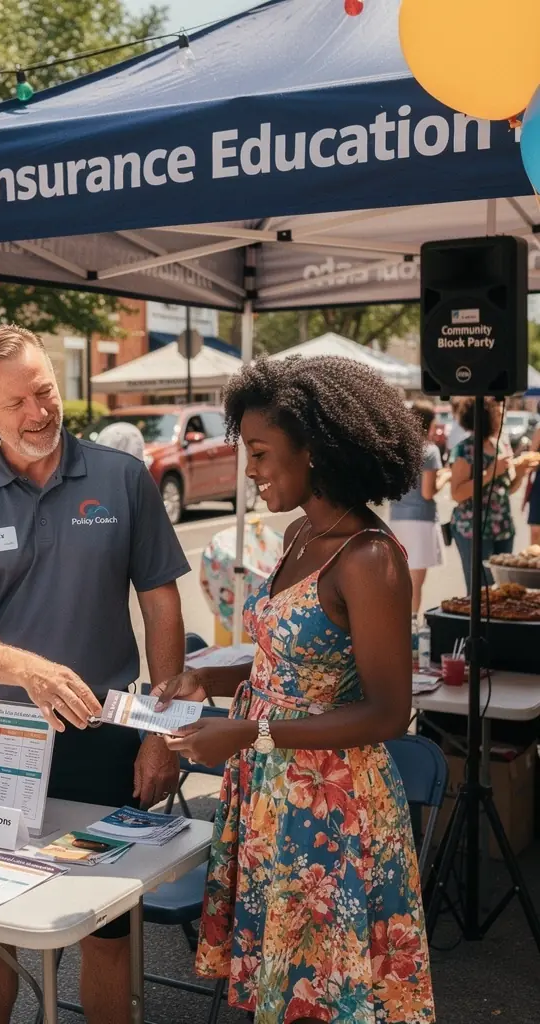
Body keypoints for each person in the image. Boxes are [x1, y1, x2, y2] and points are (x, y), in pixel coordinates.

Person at [153, 356, 435, 1024]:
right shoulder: (304, 532)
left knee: (330, 992)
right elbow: (284, 656)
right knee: (286, 985)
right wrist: (205, 678)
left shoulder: (368, 557)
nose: (250, 470)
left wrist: (250, 732)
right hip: (274, 796)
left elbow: (391, 712)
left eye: (260, 453)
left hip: (332, 811)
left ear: (316, 451)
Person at [0, 324, 189, 1024]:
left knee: (103, 924)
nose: (40, 411)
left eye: (45, 390)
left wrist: (163, 732)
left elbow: (162, 606)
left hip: (102, 731)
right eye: (18, 403)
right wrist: (29, 669)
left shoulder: (121, 477)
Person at [448, 397, 538, 590]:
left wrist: (520, 474)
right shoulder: (464, 449)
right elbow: (457, 493)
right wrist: (489, 473)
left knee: (503, 587)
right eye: (498, 414)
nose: (502, 418)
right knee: (481, 589)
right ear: (484, 418)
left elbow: (505, 490)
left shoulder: (501, 445)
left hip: (502, 528)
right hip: (473, 529)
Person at [389, 399, 449, 615]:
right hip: (421, 520)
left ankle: (401, 625)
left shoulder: (399, 448)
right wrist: (444, 478)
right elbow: (427, 492)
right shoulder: (430, 450)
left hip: (397, 518)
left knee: (400, 580)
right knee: (415, 583)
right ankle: (413, 628)